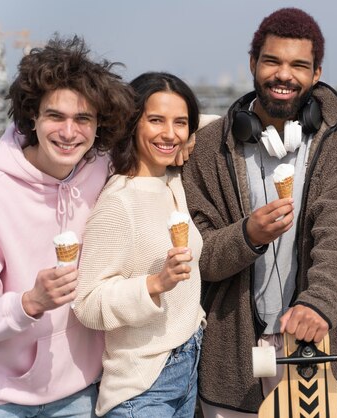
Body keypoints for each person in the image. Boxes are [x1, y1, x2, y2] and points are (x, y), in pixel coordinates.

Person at [181, 7, 337, 416]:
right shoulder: (209, 146)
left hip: (316, 346)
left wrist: (319, 303)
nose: (284, 74)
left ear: (316, 73)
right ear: (252, 63)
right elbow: (201, 256)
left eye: (299, 65)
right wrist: (247, 236)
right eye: (272, 61)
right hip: (232, 355)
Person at [0, 36, 134, 417]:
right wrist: (29, 303)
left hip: (80, 393)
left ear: (98, 125)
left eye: (82, 119)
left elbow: (161, 133)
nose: (69, 133)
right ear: (32, 117)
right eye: (55, 116)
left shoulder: (104, 168)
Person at [73, 72, 207, 418]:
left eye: (180, 122)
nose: (169, 132)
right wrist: (154, 285)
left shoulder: (172, 181)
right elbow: (87, 303)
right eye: (156, 120)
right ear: (133, 123)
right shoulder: (118, 202)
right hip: (142, 386)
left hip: (187, 366)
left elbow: (216, 124)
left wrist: (185, 137)